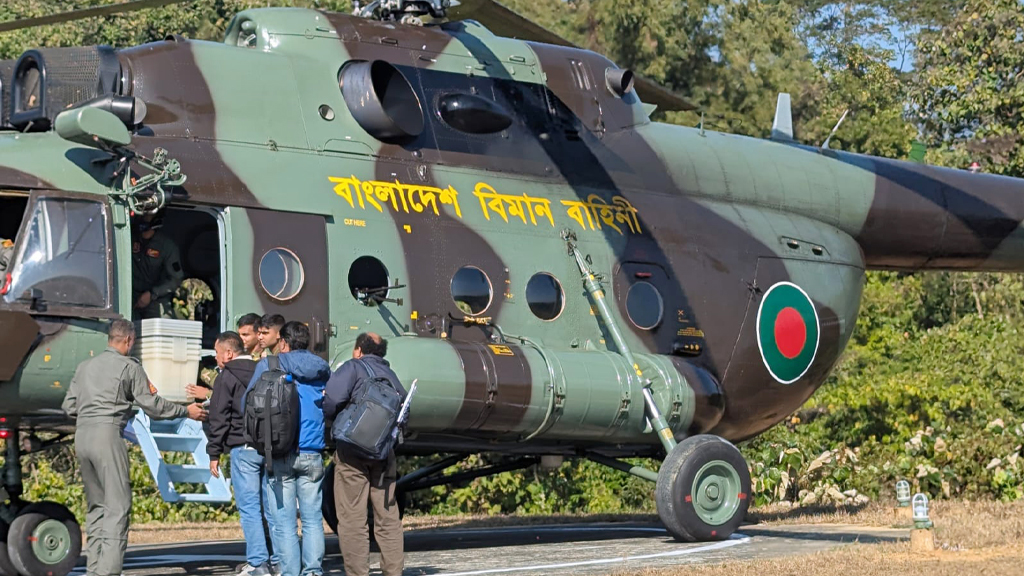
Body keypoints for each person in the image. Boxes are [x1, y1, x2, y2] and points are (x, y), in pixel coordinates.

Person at [61, 319, 207, 576]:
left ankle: (94, 569)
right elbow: (153, 406)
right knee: (118, 506)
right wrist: (185, 411)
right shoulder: (129, 367)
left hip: (82, 437)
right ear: (128, 340)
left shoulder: (85, 367)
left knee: (97, 507)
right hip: (107, 436)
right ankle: (108, 572)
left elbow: (69, 407)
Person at [247, 322, 329, 576]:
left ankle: (291, 573)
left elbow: (247, 404)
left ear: (283, 342)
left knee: (284, 523)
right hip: (312, 450)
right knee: (312, 519)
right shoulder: (321, 367)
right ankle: (313, 572)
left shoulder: (269, 364)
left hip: (279, 450)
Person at [323, 333, 407, 576]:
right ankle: (393, 572)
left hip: (352, 453)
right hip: (383, 454)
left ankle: (358, 573)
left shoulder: (353, 367)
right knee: (388, 517)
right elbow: (404, 415)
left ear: (358, 350)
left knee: (352, 518)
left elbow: (332, 400)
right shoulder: (391, 376)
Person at [204, 331, 280, 576]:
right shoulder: (263, 370)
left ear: (228, 353)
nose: (216, 358)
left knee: (249, 508)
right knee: (271, 506)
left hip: (243, 448)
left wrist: (214, 452)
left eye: (217, 353)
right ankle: (279, 560)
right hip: (270, 448)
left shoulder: (226, 376)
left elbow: (219, 417)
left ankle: (258, 563)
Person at [132, 212, 184, 319]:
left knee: (165, 320)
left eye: (147, 215)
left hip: (154, 297)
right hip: (128, 294)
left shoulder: (167, 246)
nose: (143, 217)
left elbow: (176, 279)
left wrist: (153, 293)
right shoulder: (127, 238)